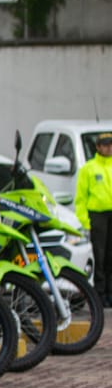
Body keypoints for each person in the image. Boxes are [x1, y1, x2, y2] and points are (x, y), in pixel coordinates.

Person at [75, 131, 112, 308]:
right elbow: (80, 198)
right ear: (98, 147)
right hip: (97, 216)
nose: (109, 148)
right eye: (105, 145)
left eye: (111, 144)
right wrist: (85, 221)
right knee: (100, 255)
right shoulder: (89, 169)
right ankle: (100, 293)